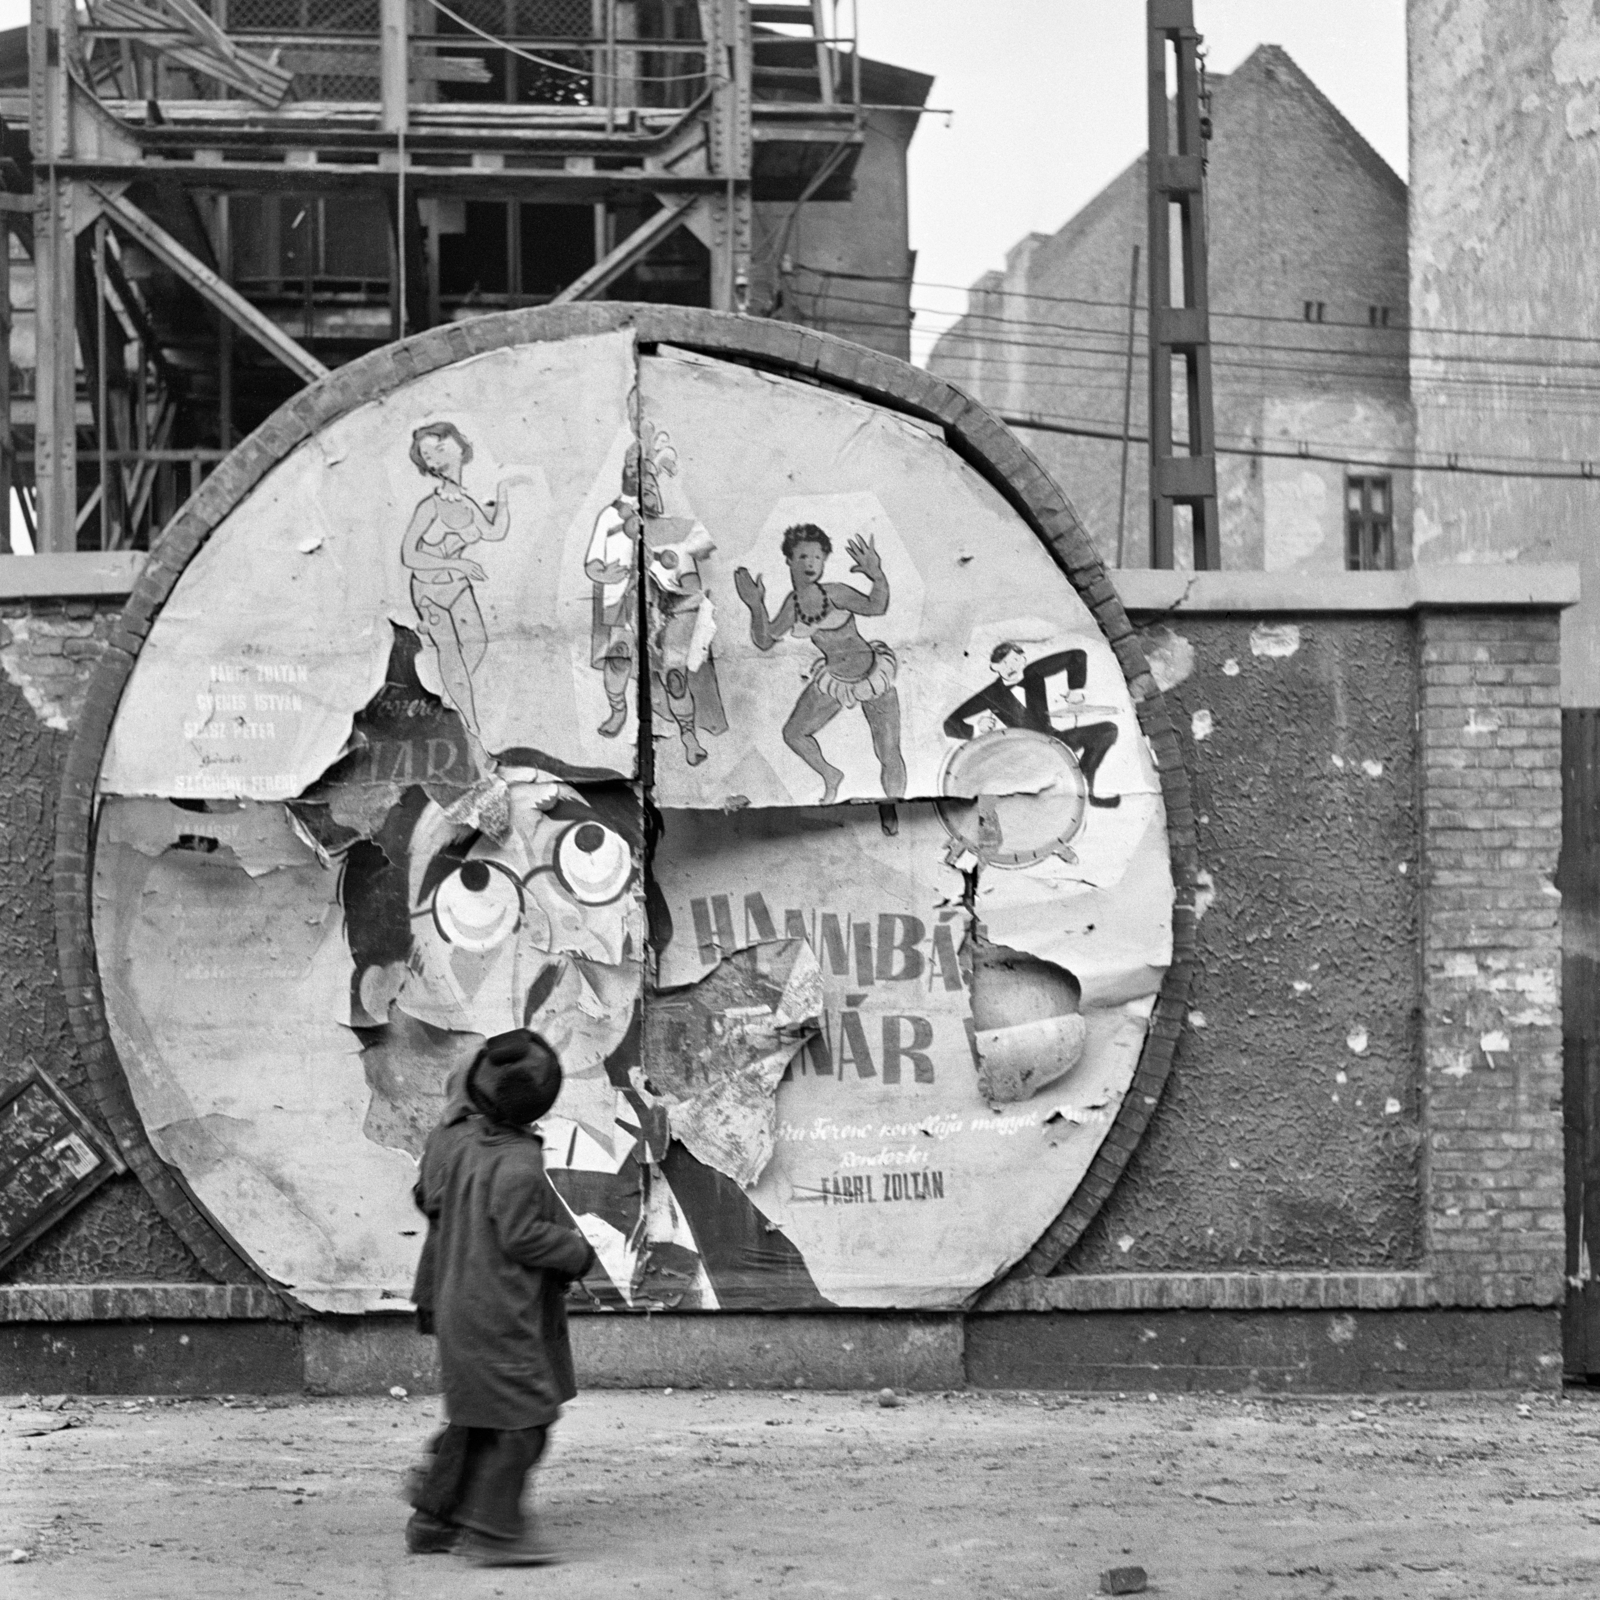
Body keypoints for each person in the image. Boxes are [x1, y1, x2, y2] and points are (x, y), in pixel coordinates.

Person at [405, 1029, 597, 1567]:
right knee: (509, 1416)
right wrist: (572, 1250)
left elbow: (430, 1196)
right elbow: (516, 1232)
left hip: (468, 1289)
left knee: (488, 1412)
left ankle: (442, 1516)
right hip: (491, 1297)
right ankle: (475, 1520)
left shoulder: (466, 1139)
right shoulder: (497, 1150)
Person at [733, 523, 906, 803]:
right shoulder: (793, 605)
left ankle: (896, 806)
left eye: (817, 557)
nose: (810, 563)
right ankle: (830, 775)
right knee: (794, 734)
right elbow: (765, 640)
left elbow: (877, 606)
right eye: (802, 556)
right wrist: (755, 605)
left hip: (872, 675)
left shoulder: (835, 592)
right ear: (789, 560)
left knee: (888, 752)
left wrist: (876, 573)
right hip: (835, 680)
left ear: (824, 560)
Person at [402, 422, 519, 735]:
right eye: (427, 454)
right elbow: (409, 556)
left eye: (440, 448)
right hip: (429, 589)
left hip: (457, 585)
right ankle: (471, 726)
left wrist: (503, 496)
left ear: (459, 446)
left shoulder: (467, 503)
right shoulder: (430, 506)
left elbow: (494, 532)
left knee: (477, 644)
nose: (435, 458)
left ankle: (444, 701)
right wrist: (458, 565)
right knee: (450, 653)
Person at [943, 641, 1121, 808]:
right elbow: (949, 723)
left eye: (1014, 660)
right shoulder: (991, 694)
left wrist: (1076, 688)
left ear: (1023, 660)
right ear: (994, 667)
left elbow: (1077, 656)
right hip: (1025, 751)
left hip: (1054, 741)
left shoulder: (1034, 673)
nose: (1010, 666)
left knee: (1108, 730)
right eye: (1003, 663)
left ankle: (1084, 788)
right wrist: (976, 728)